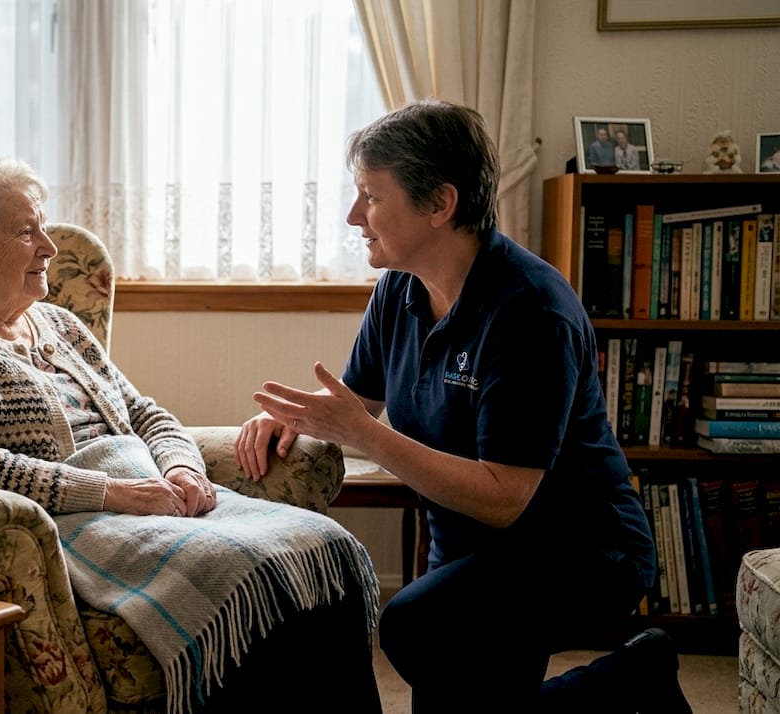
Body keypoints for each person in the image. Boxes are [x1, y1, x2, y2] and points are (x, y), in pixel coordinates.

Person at [0, 154, 382, 713]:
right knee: (241, 577)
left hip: (147, 495)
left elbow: (143, 412)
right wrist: (112, 492)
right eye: (26, 232)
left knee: (324, 550)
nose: (49, 246)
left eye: (43, 226)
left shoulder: (62, 325)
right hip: (71, 520)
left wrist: (180, 466)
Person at [234, 100, 691, 714]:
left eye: (370, 196)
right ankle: (642, 676)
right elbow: (357, 400)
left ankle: (631, 675)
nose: (353, 216)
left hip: (578, 552)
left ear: (440, 205)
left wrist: (364, 433)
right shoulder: (400, 289)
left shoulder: (530, 311)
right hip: (470, 551)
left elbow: (505, 496)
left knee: (412, 627)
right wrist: (291, 415)